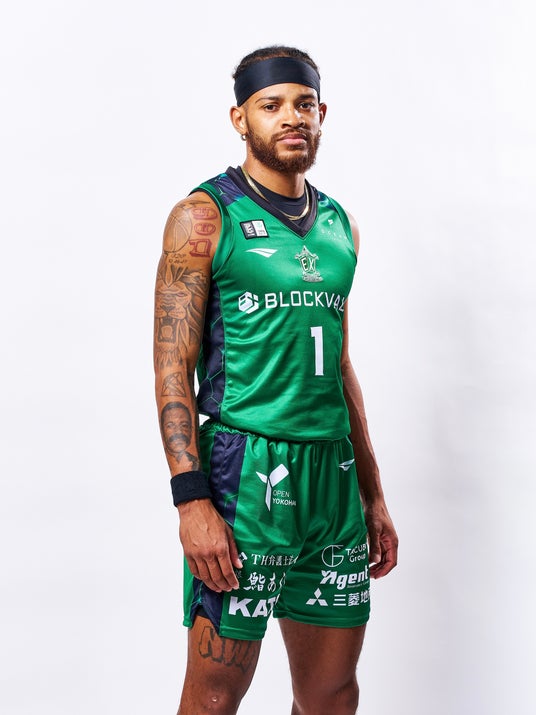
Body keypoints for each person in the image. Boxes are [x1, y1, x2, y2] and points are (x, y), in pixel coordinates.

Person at [154, 45, 398, 715]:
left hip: (332, 479)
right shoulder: (204, 216)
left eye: (304, 104)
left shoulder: (341, 226)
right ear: (240, 118)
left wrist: (373, 494)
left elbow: (339, 362)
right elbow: (171, 365)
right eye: (272, 105)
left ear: (322, 114)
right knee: (214, 695)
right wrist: (190, 501)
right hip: (246, 475)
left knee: (331, 694)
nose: (292, 117)